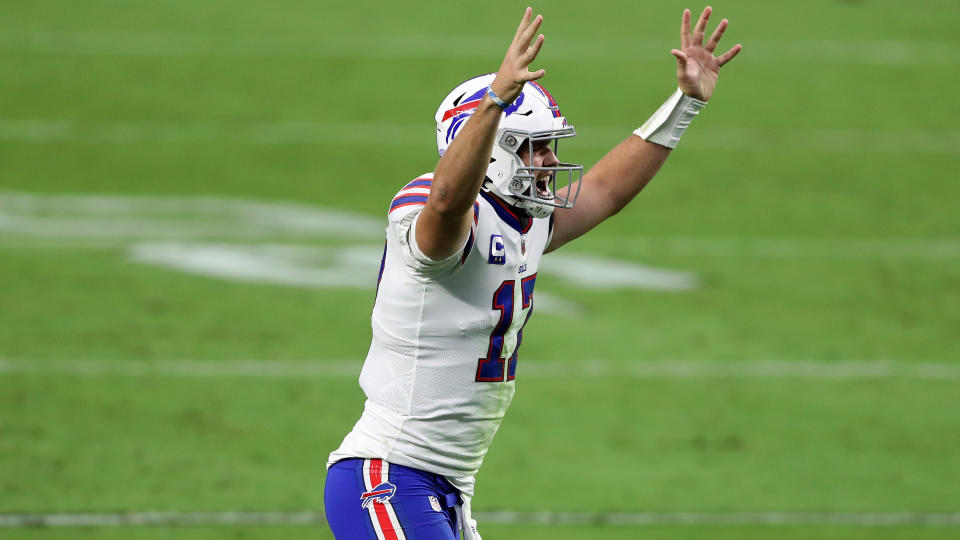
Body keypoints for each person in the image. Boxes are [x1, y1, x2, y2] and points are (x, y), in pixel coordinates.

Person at [324, 6, 741, 539]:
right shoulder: (435, 210)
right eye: (533, 146)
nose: (548, 161)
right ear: (492, 150)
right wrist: (496, 100)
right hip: (388, 476)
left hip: (445, 487)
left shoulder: (525, 221)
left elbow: (606, 191)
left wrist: (685, 104)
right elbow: (450, 204)